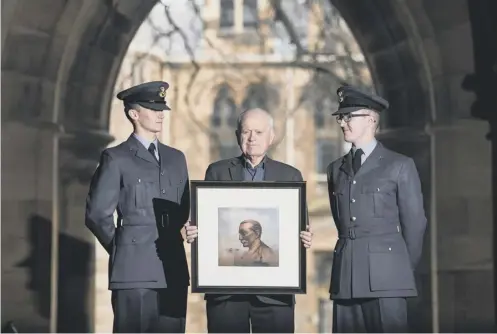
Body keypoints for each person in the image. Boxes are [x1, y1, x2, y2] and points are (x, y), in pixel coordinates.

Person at [185, 108, 312, 333]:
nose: (252, 138)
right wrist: (194, 230)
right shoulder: (217, 172)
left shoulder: (290, 176)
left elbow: (301, 225)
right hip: (226, 292)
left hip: (275, 294)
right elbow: (204, 222)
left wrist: (304, 236)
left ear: (271, 137)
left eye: (259, 132)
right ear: (237, 136)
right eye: (246, 132)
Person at [85, 81, 190, 333]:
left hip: (173, 268)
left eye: (162, 109)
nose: (161, 114)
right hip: (133, 273)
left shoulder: (177, 159)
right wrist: (125, 249)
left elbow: (184, 211)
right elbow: (97, 215)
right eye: (153, 109)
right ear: (134, 114)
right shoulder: (116, 158)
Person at [326, 85, 427, 333]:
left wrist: (398, 266)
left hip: (387, 279)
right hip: (346, 278)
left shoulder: (399, 165)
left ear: (371, 119)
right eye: (341, 116)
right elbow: (342, 223)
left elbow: (415, 224)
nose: (342, 123)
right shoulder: (335, 169)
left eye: (350, 116)